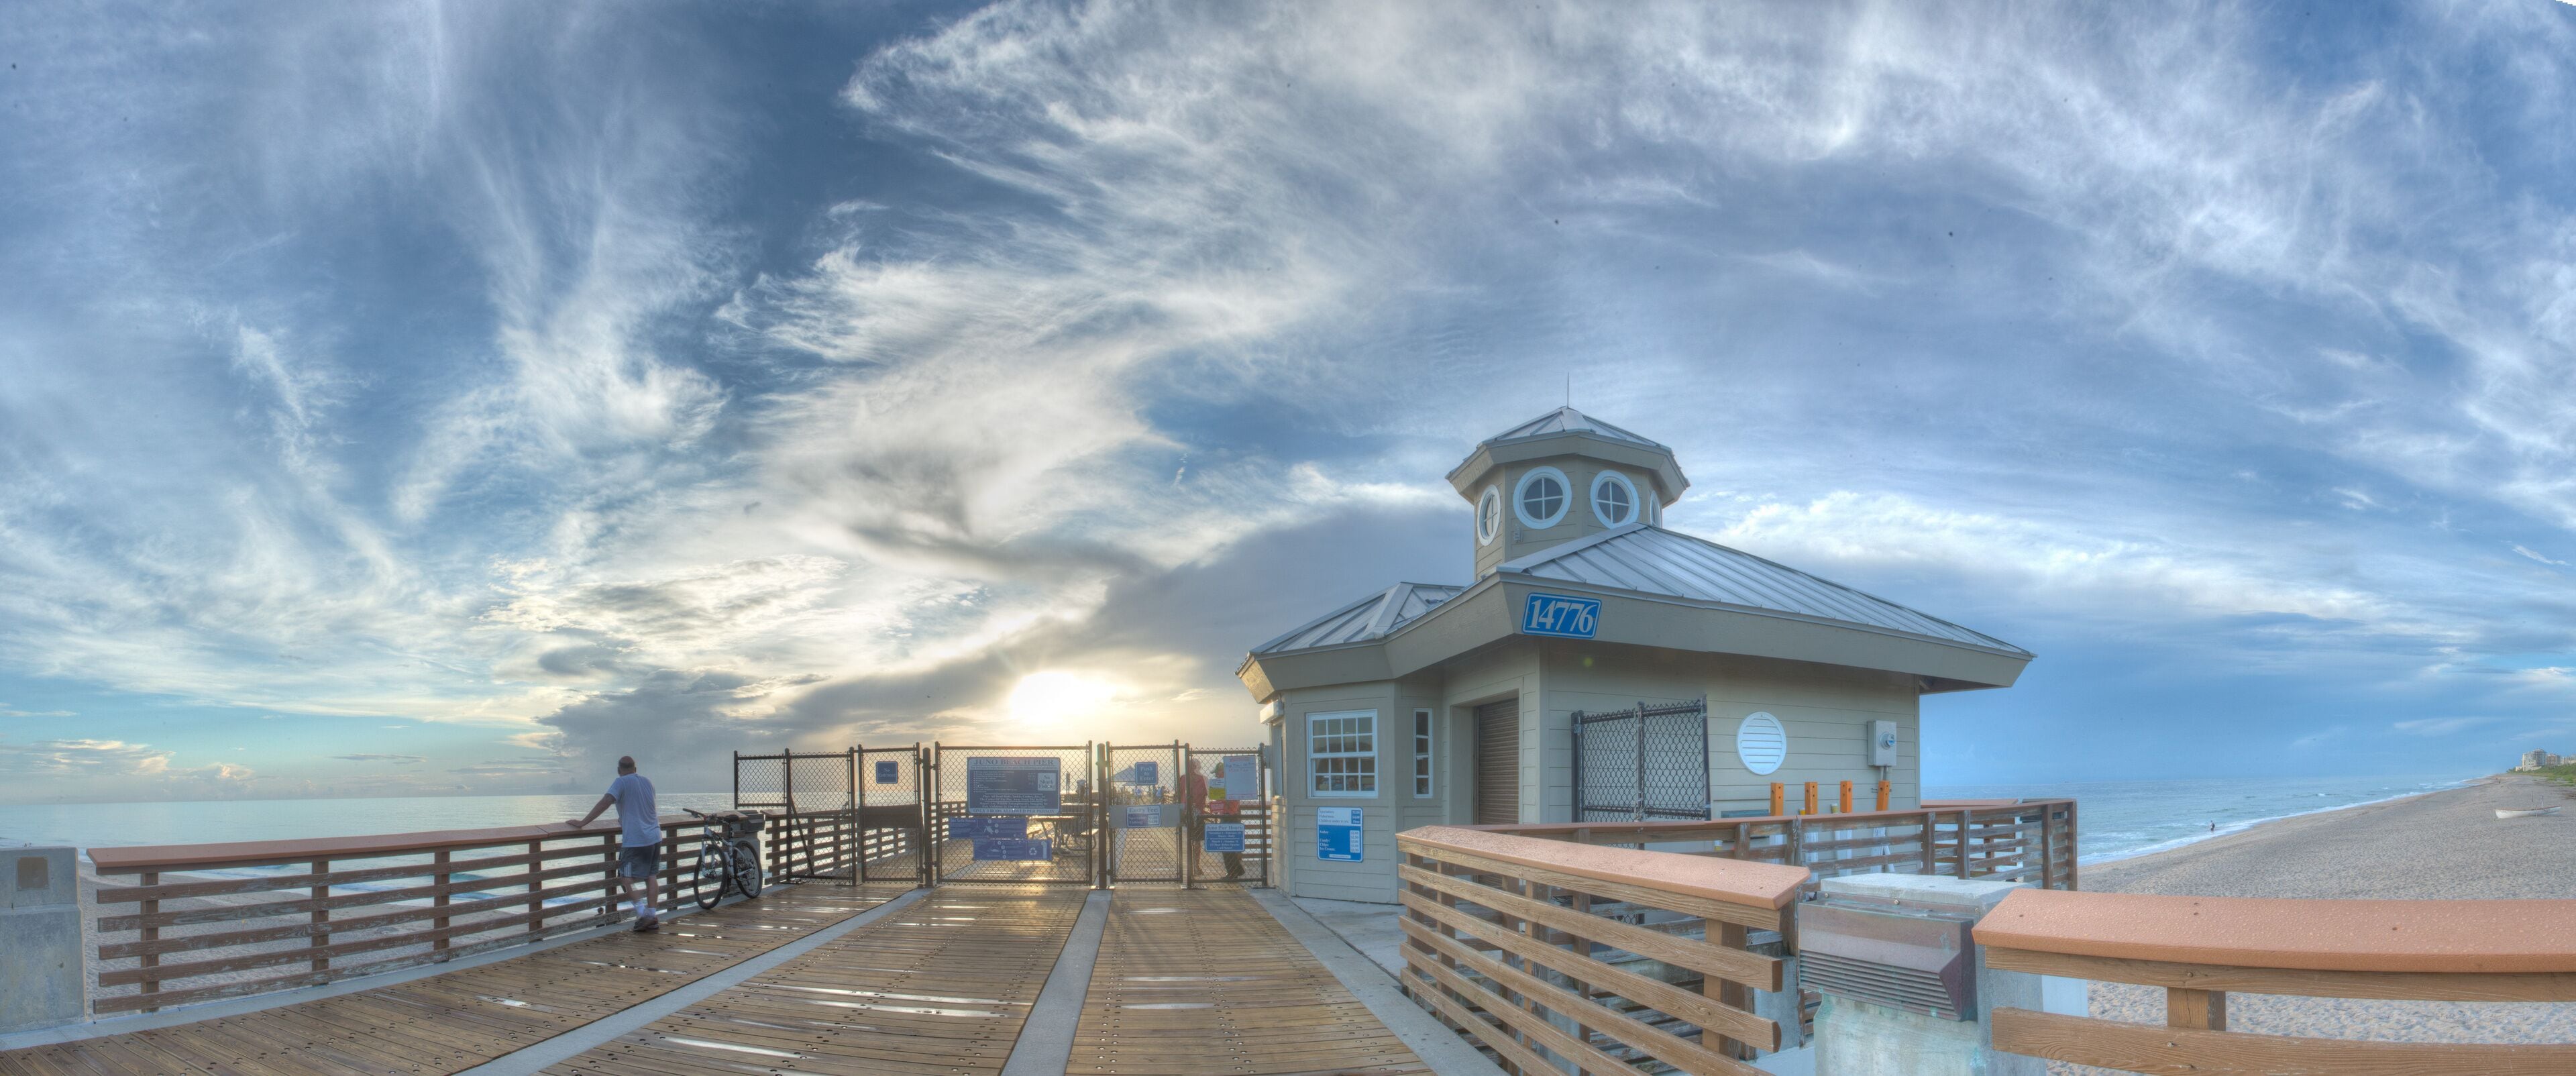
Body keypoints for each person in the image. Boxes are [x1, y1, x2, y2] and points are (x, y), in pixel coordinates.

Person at [568, 756, 662, 933]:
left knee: (625, 877)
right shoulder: (647, 782)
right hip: (655, 837)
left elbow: (605, 803)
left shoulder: (620, 783)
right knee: (651, 876)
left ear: (619, 770)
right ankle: (652, 915)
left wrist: (583, 822)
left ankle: (643, 914)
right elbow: (644, 807)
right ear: (636, 768)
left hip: (635, 841)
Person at [1182, 758, 1244, 880]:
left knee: (1228, 846)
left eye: (1218, 772)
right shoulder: (1221, 783)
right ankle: (1235, 871)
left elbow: (1229, 801)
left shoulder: (1228, 783)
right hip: (1225, 814)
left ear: (1223, 772)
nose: (1216, 775)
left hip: (1229, 815)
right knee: (1227, 846)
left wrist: (1220, 804)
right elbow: (1214, 797)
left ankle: (1234, 871)